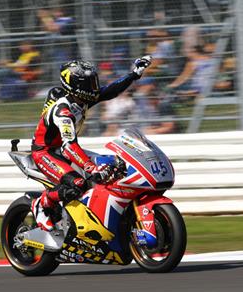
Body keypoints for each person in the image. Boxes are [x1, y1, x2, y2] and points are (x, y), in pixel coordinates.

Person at [31, 55, 152, 231]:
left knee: (117, 166)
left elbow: (111, 90)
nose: (94, 87)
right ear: (75, 86)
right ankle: (41, 203)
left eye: (94, 82)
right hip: (46, 152)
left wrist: (134, 74)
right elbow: (69, 146)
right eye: (90, 84)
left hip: (65, 149)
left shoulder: (82, 99)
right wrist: (90, 167)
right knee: (78, 184)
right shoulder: (63, 111)